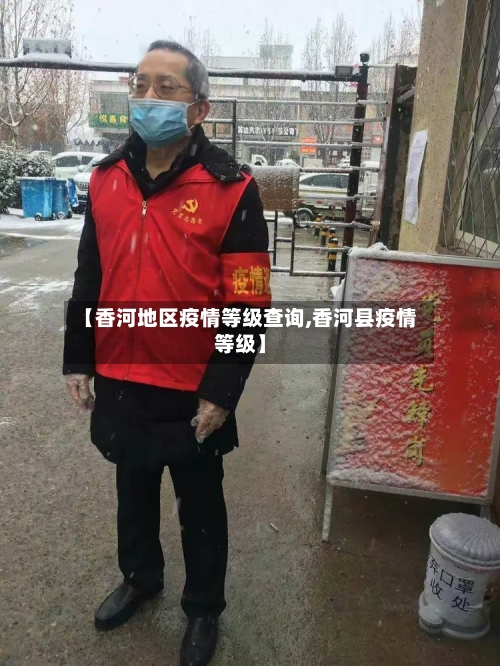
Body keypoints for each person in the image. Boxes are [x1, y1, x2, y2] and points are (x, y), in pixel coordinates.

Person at [63, 40, 271, 666]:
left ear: (199, 109)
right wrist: (78, 357)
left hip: (191, 384)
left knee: (200, 504)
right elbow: (89, 277)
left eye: (166, 87)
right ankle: (140, 577)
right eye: (140, 84)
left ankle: (203, 609)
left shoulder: (233, 189)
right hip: (122, 374)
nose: (148, 97)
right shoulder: (106, 180)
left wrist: (223, 390)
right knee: (132, 488)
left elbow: (249, 300)